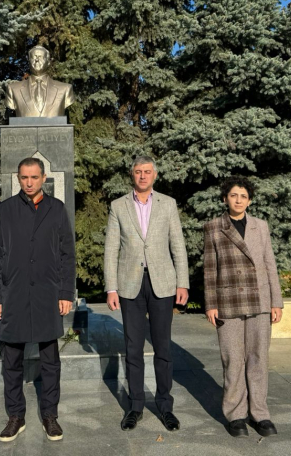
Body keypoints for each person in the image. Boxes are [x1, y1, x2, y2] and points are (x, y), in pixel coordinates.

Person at [0, 157, 76, 442]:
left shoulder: (56, 209)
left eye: (34, 177)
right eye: (24, 177)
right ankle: (16, 415)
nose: (29, 182)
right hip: (13, 295)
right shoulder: (6, 210)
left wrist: (66, 293)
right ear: (18, 178)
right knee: (11, 360)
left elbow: (67, 255)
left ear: (43, 178)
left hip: (47, 294)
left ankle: (50, 415)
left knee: (50, 360)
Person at [103, 156, 190, 432]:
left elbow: (177, 245)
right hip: (130, 285)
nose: (143, 176)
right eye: (138, 172)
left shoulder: (168, 204)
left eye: (147, 172)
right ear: (132, 174)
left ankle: (165, 406)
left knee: (163, 347)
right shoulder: (118, 206)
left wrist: (183, 283)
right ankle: (135, 406)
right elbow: (111, 249)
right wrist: (111, 287)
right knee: (133, 349)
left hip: (162, 283)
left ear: (155, 175)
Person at [203, 176, 283, 439]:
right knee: (233, 359)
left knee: (259, 358)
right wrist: (211, 304)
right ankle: (236, 415)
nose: (238, 200)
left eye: (244, 196)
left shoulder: (261, 226)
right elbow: (210, 269)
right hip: (228, 301)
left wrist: (276, 301)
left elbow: (270, 264)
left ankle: (260, 413)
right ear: (225, 198)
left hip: (260, 299)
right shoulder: (214, 227)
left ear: (250, 200)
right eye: (234, 195)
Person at [4, 45, 75, 118]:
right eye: (33, 57)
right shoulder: (13, 89)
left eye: (40, 57)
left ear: (48, 62)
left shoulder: (65, 89)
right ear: (29, 61)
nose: (37, 60)